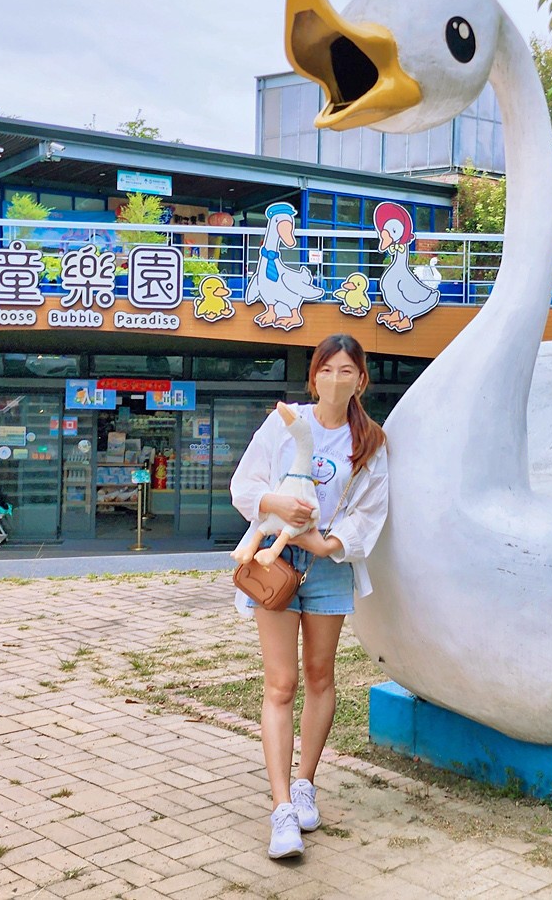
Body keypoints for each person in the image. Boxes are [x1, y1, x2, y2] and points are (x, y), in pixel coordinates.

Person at [230, 334, 389, 859]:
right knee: (281, 683)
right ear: (313, 375)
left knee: (321, 676)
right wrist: (276, 502)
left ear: (361, 380)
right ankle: (281, 812)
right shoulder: (284, 423)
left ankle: (305, 784)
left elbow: (370, 511)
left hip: (326, 568)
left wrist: (326, 543)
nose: (336, 379)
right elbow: (244, 485)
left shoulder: (369, 440)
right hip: (272, 564)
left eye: (347, 371)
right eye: (327, 369)